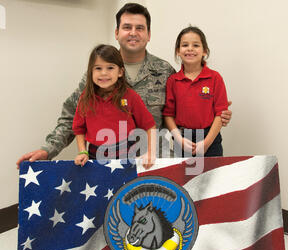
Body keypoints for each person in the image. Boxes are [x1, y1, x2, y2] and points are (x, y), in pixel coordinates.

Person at [16, 3, 232, 168]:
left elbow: (179, 111)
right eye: (127, 27)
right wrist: (47, 150)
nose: (133, 32)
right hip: (108, 161)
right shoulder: (99, 73)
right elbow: (71, 117)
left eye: (140, 28)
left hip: (153, 161)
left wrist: (217, 112)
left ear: (148, 35)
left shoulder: (165, 71)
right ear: (117, 33)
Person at [73, 44, 155, 169]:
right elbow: (79, 129)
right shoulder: (85, 97)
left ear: (120, 72)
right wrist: (82, 151)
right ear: (90, 72)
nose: (104, 73)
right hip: (95, 155)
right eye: (98, 68)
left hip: (128, 154)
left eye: (110, 68)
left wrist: (150, 152)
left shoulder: (131, 96)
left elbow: (150, 126)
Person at [163, 26, 228, 157]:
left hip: (210, 140)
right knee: (182, 177)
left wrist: (206, 143)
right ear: (178, 51)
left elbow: (220, 114)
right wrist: (179, 139)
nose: (190, 48)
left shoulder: (215, 78)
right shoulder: (173, 81)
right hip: (182, 140)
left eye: (196, 45)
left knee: (210, 177)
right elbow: (168, 115)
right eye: (185, 45)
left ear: (204, 51)